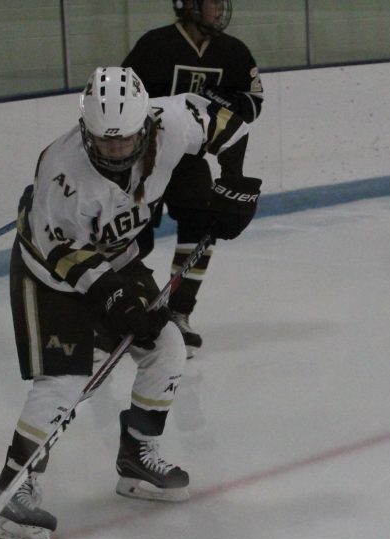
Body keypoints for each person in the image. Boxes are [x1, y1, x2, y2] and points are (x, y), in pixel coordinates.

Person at [0, 66, 262, 539]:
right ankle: (10, 488)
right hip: (50, 272)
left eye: (124, 141)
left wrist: (232, 186)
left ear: (146, 126)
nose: (114, 151)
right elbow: (63, 252)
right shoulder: (61, 170)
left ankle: (136, 456)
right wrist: (113, 297)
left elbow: (232, 123)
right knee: (67, 377)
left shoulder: (172, 121)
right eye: (103, 142)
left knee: (166, 345)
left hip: (120, 254)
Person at [121, 0, 263, 357]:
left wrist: (218, 102)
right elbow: (123, 98)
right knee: (135, 239)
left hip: (190, 159)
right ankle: (122, 310)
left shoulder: (233, 52)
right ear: (190, 6)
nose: (219, 10)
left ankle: (178, 313)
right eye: (212, 2)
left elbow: (253, 102)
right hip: (145, 161)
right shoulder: (155, 46)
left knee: (200, 229)